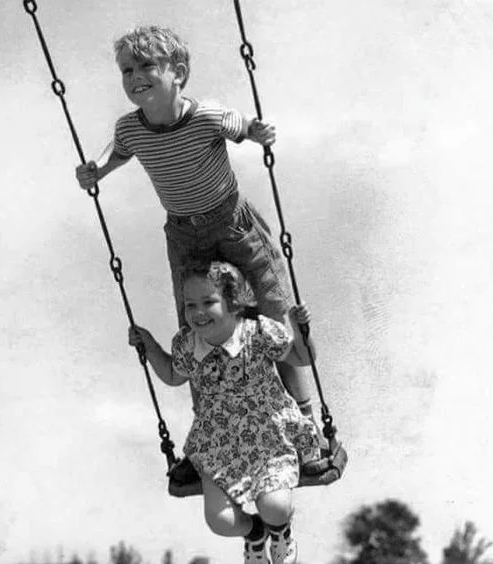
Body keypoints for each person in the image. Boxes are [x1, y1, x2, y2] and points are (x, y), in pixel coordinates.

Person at [76, 25, 314, 417]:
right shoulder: (131, 128)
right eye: (127, 70)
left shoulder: (206, 116)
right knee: (197, 328)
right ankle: (211, 424)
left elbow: (243, 126)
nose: (135, 77)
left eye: (146, 66)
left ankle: (305, 417)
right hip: (185, 237)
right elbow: (119, 151)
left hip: (235, 226)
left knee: (272, 315)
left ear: (179, 73)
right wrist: (97, 169)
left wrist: (258, 132)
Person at [128, 260, 321, 564]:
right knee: (221, 522)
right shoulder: (188, 346)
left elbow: (302, 357)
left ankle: (280, 532)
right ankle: (254, 533)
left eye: (208, 302)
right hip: (217, 443)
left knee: (276, 508)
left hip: (268, 436)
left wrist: (301, 330)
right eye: (190, 305)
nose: (198, 312)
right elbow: (173, 375)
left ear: (233, 303)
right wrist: (149, 345)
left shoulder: (258, 333)